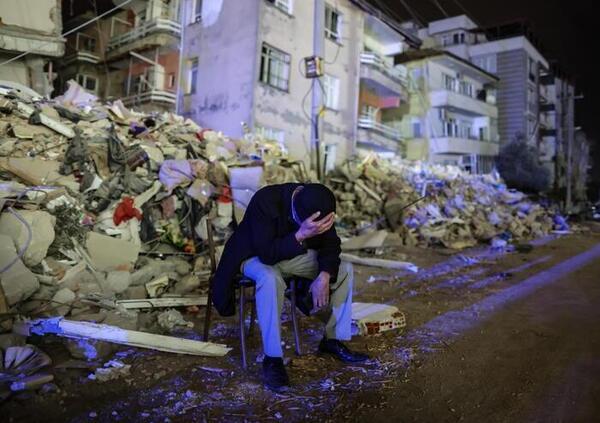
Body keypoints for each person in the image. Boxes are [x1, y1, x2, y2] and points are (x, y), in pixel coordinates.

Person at [212, 183, 368, 390]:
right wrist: (301, 234)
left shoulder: (318, 202)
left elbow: (331, 244)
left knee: (345, 269)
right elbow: (267, 254)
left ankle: (333, 339)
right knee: (269, 277)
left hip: (290, 254)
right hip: (253, 255)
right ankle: (273, 359)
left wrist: (324, 274)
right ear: (297, 212)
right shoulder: (266, 200)